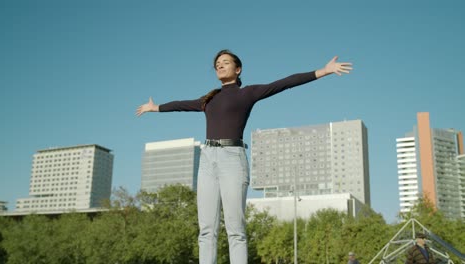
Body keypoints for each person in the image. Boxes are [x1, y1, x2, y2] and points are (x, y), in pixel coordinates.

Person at [136, 49, 352, 264]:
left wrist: (323, 71)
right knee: (206, 229)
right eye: (217, 63)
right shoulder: (209, 98)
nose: (220, 65)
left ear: (238, 69)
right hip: (207, 159)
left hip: (232, 159)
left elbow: (284, 83)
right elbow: (182, 105)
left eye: (226, 62)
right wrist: (156, 108)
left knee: (235, 228)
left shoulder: (247, 93)